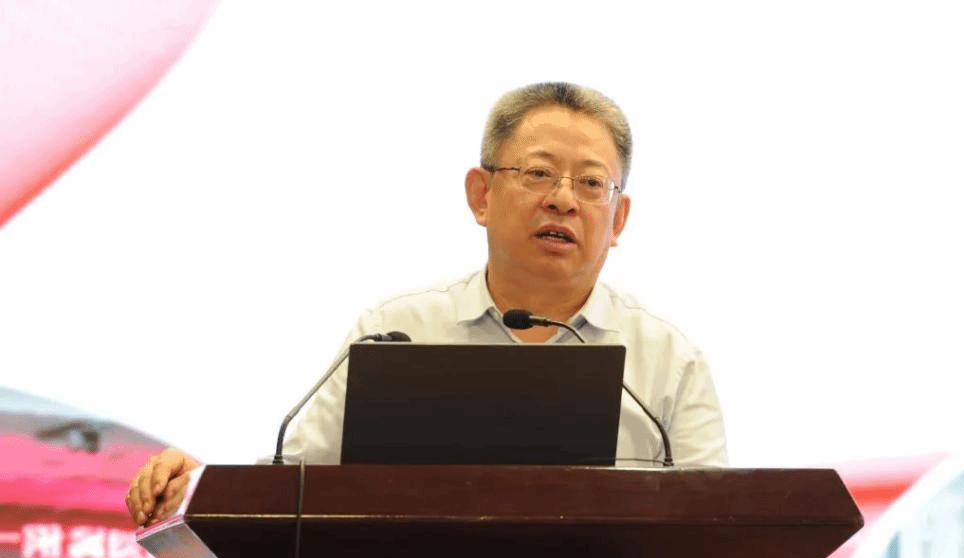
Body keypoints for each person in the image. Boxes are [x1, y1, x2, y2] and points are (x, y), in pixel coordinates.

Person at [125, 82, 727, 528]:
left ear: (618, 218)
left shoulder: (667, 361)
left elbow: (718, 529)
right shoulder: (398, 334)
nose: (563, 200)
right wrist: (198, 488)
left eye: (592, 183)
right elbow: (296, 488)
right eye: (538, 173)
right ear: (481, 195)